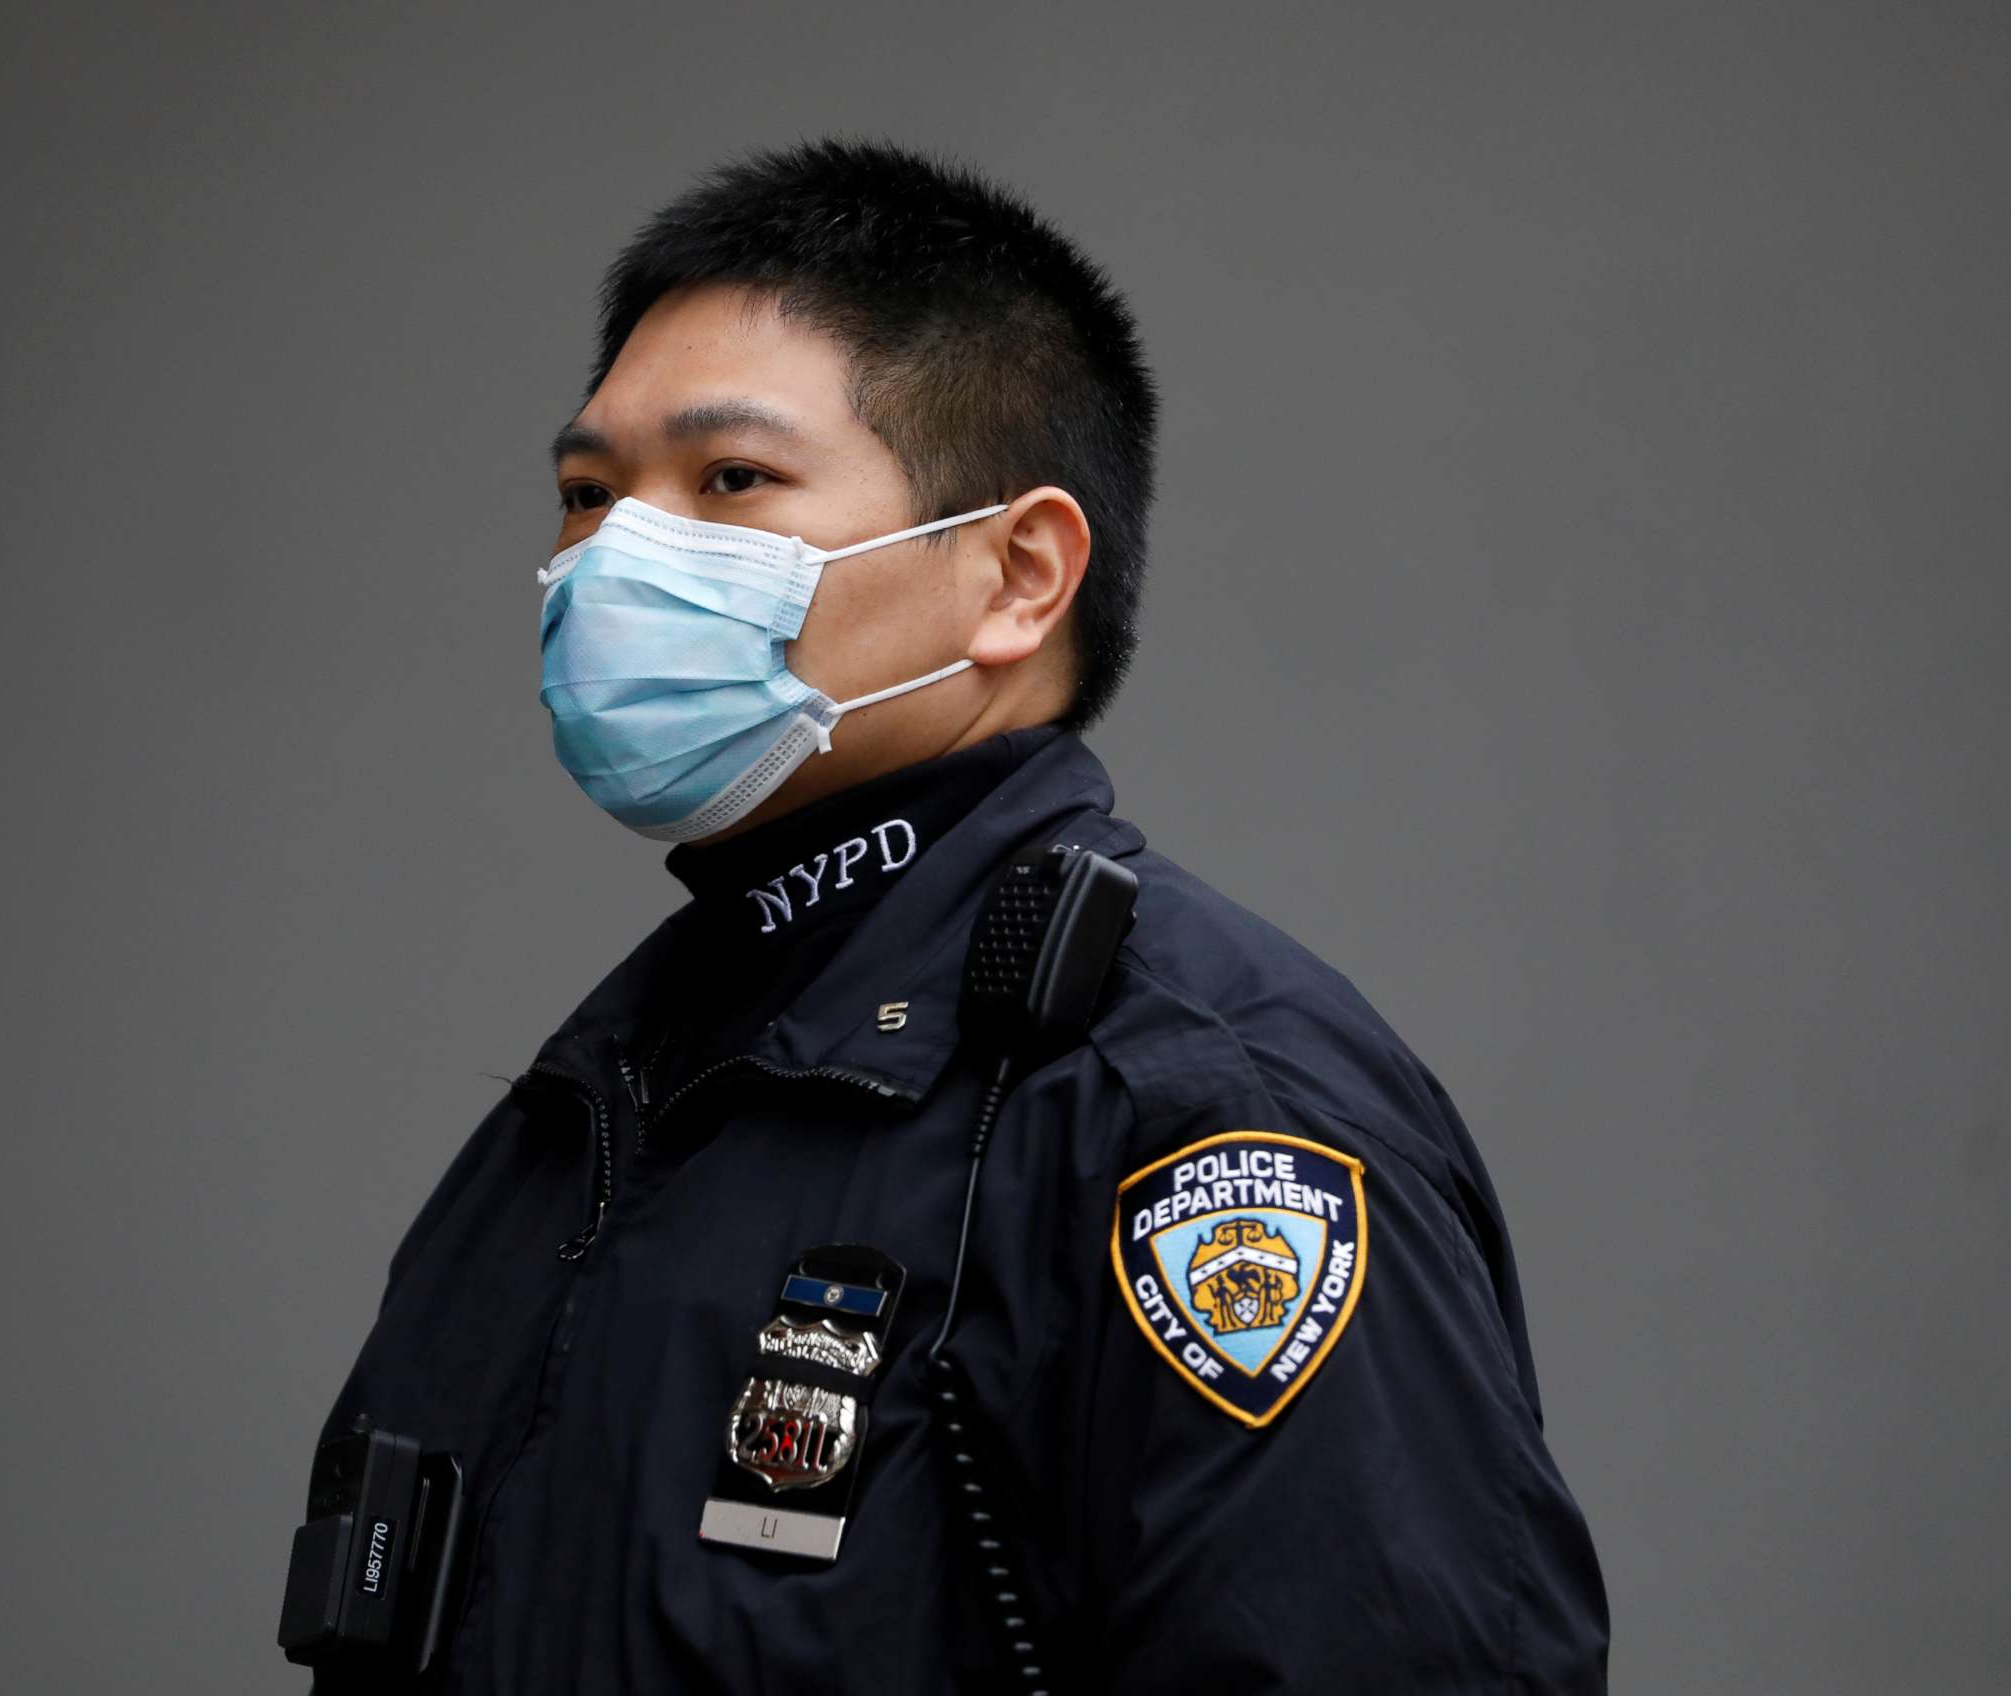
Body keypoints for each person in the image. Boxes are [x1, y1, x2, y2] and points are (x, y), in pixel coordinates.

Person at [305, 138, 1608, 1692]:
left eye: (730, 481)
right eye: (589, 494)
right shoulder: (598, 1109)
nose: (612, 562)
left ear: (1019, 573)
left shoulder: (1192, 1111)